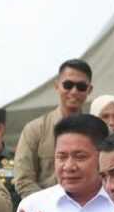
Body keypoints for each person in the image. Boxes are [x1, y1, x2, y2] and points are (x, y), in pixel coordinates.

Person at [13, 59, 93, 197]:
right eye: (68, 85)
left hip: (89, 206)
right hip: (46, 207)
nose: (74, 91)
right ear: (57, 86)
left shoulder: (98, 131)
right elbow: (23, 179)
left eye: (81, 87)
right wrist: (48, 205)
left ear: (89, 90)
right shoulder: (34, 130)